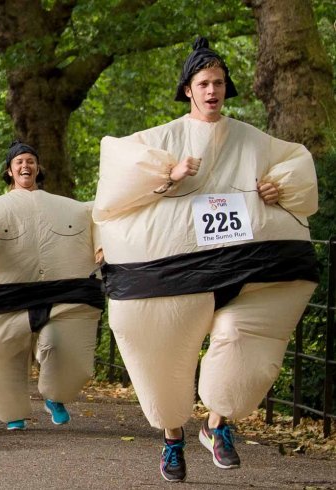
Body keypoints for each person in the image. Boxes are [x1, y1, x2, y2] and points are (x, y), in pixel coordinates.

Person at [92, 37, 319, 482]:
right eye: (204, 83)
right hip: (173, 274)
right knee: (162, 352)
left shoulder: (252, 141)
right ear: (188, 90)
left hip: (251, 268)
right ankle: (173, 438)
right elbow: (113, 189)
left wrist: (280, 186)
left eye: (218, 82)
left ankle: (218, 425)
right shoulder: (161, 139)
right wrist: (167, 176)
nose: (212, 90)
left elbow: (296, 163)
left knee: (243, 342)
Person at [0, 141, 104, 430]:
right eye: (19, 161)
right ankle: (13, 412)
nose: (26, 166)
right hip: (4, 294)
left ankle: (56, 396)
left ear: (38, 168)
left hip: (63, 291)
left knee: (64, 344)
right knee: (0, 352)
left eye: (31, 161)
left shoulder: (73, 210)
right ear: (9, 171)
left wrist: (101, 247)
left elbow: (99, 220)